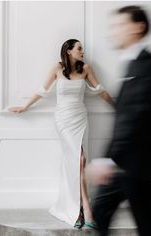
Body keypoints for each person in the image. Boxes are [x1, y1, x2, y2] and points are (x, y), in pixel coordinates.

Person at [9, 39, 114, 229]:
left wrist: (118, 106)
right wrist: (25, 106)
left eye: (82, 48)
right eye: (79, 48)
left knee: (81, 161)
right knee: (76, 161)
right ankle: (85, 208)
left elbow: (101, 91)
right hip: (63, 120)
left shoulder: (87, 68)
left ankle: (82, 208)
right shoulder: (57, 69)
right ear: (68, 51)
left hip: (80, 119)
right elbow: (43, 90)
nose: (83, 51)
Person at [86, 6, 151, 236]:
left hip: (137, 164)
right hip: (124, 162)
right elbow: (124, 117)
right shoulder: (132, 62)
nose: (114, 31)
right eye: (113, 25)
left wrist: (108, 160)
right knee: (100, 215)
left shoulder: (147, 65)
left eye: (120, 25)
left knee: (147, 225)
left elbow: (136, 118)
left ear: (138, 27)